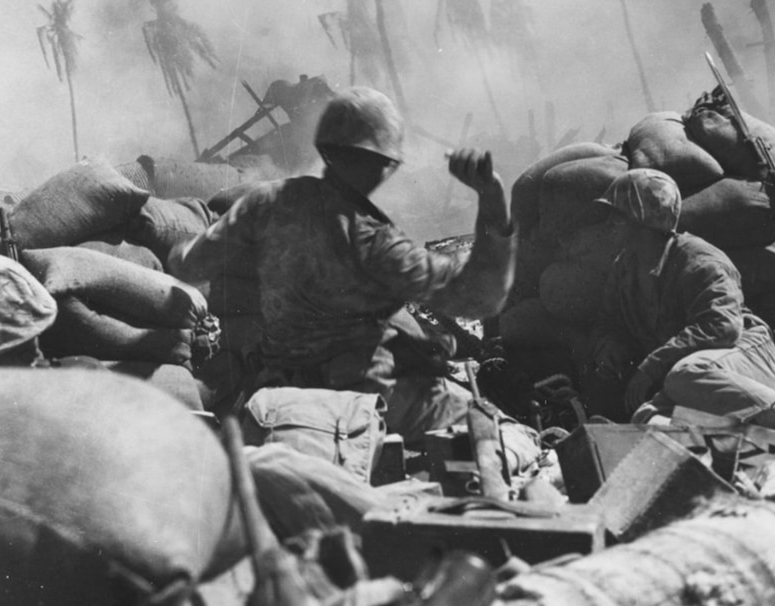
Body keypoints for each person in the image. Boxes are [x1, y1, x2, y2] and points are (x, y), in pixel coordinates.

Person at [169, 86, 538, 468]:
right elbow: (478, 299)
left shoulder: (264, 203)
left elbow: (189, 263)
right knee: (501, 432)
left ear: (327, 148)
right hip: (369, 397)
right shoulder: (374, 242)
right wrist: (491, 199)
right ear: (382, 163)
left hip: (279, 388)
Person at [589, 168, 775, 429]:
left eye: (618, 215)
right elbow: (607, 322)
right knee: (646, 419)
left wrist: (651, 367)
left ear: (643, 218)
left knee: (686, 374)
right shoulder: (625, 269)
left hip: (743, 357)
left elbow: (722, 327)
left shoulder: (699, 260)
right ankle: (744, 443)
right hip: (694, 377)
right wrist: (609, 349)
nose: (609, 223)